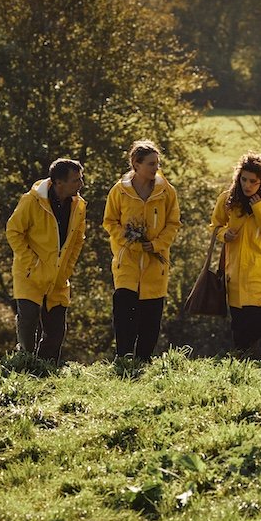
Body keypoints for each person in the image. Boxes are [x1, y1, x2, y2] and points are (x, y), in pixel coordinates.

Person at [103, 140, 181, 361]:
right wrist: (128, 240)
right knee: (125, 310)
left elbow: (174, 224)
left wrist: (156, 245)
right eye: (150, 164)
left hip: (155, 264)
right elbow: (110, 222)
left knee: (151, 315)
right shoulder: (119, 191)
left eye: (157, 163)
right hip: (126, 261)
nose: (156, 168)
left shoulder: (167, 192)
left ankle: (144, 359)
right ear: (135, 165)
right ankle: (123, 355)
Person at [211, 152, 261, 356]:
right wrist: (223, 234)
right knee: (239, 327)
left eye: (253, 181)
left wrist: (259, 209)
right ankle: (246, 366)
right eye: (244, 179)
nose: (247, 185)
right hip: (235, 273)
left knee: (254, 320)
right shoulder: (228, 200)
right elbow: (215, 225)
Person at [6, 158, 87, 362]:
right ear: (59, 182)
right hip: (29, 273)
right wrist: (31, 263)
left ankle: (45, 368)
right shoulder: (31, 201)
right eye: (76, 180)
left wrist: (67, 269)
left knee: (56, 330)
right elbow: (13, 231)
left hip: (58, 277)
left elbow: (78, 240)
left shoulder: (79, 206)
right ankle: (25, 361)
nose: (81, 184)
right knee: (28, 321)